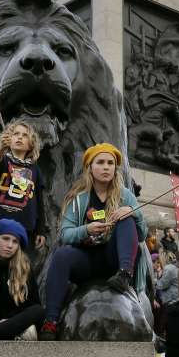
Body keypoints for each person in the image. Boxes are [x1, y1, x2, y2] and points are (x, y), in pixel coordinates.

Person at [40, 143, 147, 340]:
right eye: (100, 162)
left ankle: (125, 275)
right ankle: (51, 320)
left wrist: (134, 214)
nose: (106, 167)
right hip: (86, 259)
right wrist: (85, 229)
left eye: (110, 163)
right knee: (62, 255)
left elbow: (141, 235)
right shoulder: (79, 199)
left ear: (115, 168)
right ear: (90, 167)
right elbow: (65, 234)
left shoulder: (126, 195)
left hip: (114, 258)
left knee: (127, 217)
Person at [0, 120, 48, 250]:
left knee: (20, 267)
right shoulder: (3, 161)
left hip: (25, 228)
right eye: (16, 134)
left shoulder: (35, 169)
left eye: (25, 135)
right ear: (9, 139)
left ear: (31, 144)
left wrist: (41, 230)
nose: (20, 137)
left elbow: (39, 201)